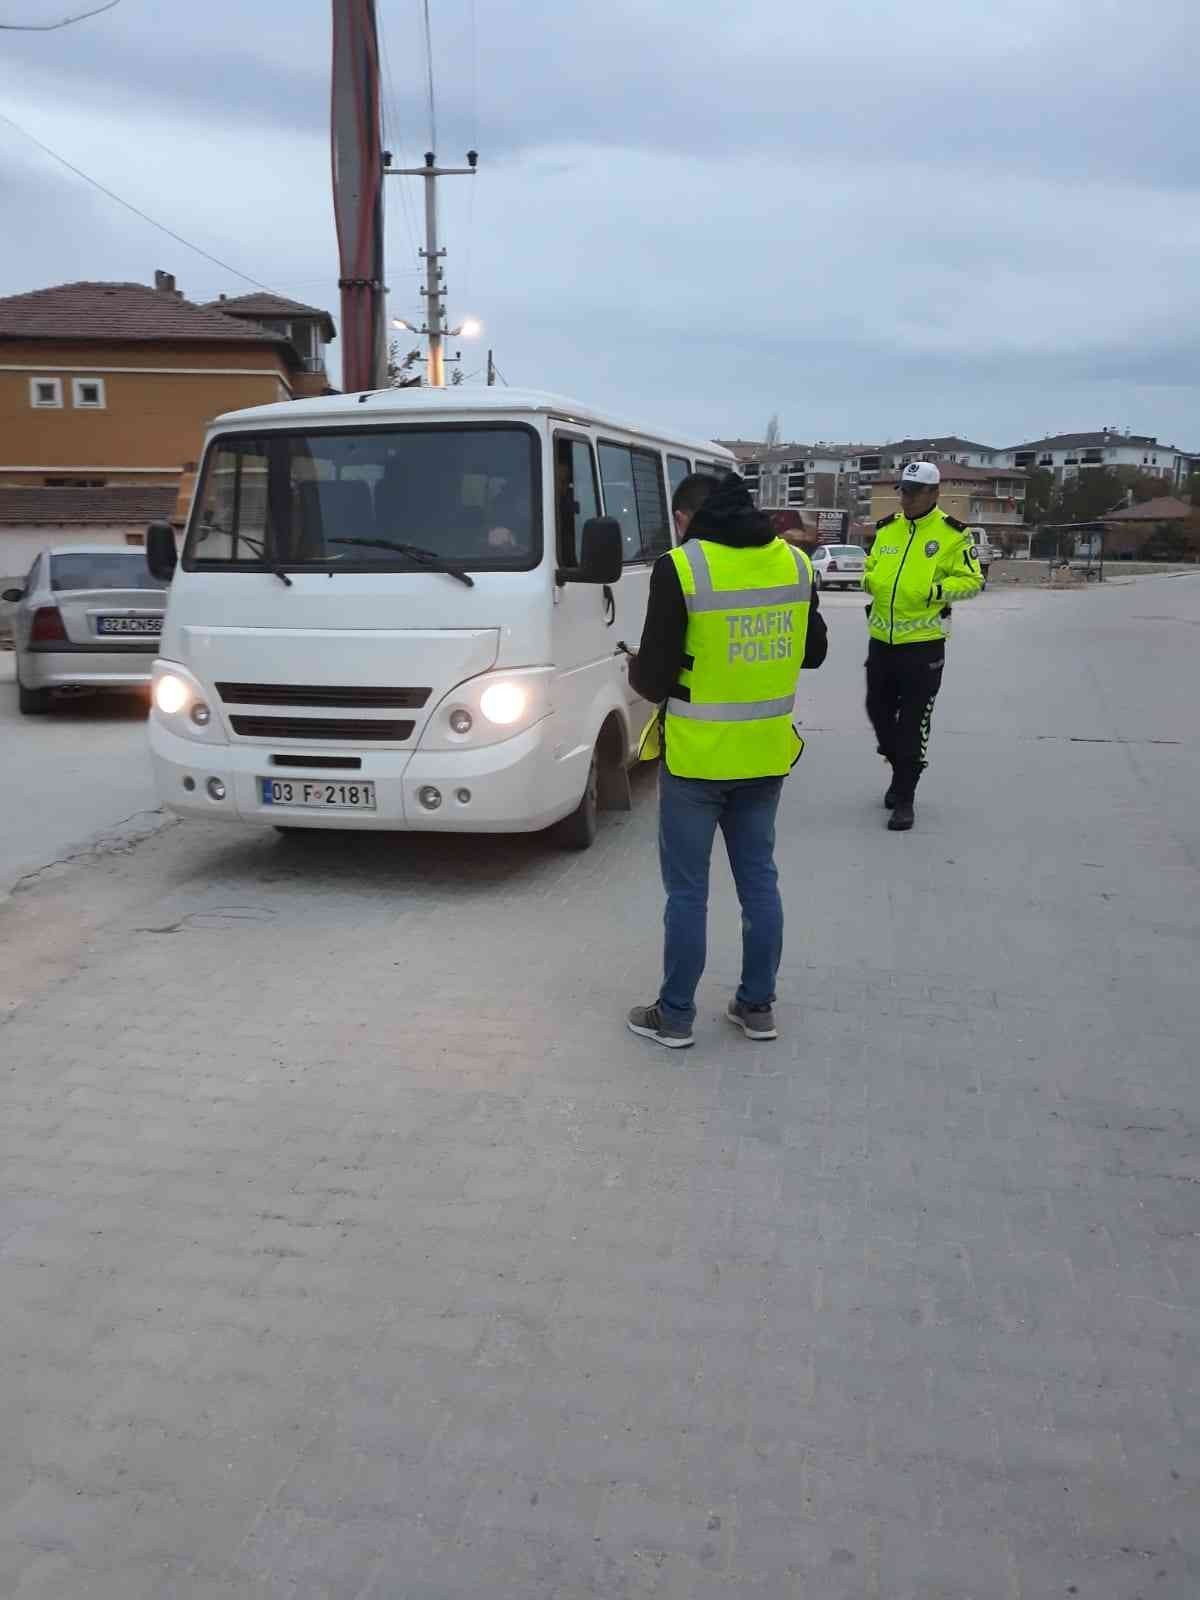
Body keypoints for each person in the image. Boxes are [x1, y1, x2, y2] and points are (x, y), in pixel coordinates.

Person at [625, 471, 827, 1050]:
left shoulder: (682, 567)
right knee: (759, 881)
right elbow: (813, 652)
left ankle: (676, 1016)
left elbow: (656, 679)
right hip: (765, 755)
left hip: (697, 759)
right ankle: (756, 1007)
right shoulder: (794, 564)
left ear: (686, 519)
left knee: (688, 892)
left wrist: (637, 667)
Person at [861, 460, 982, 833]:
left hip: (923, 646)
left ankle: (905, 798)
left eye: (914, 492)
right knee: (878, 711)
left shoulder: (953, 535)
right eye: (903, 490)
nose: (906, 498)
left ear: (934, 493)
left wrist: (935, 592)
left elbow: (974, 581)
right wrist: (869, 580)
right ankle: (899, 766)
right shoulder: (888, 530)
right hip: (882, 640)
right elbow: (872, 567)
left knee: (913, 724)